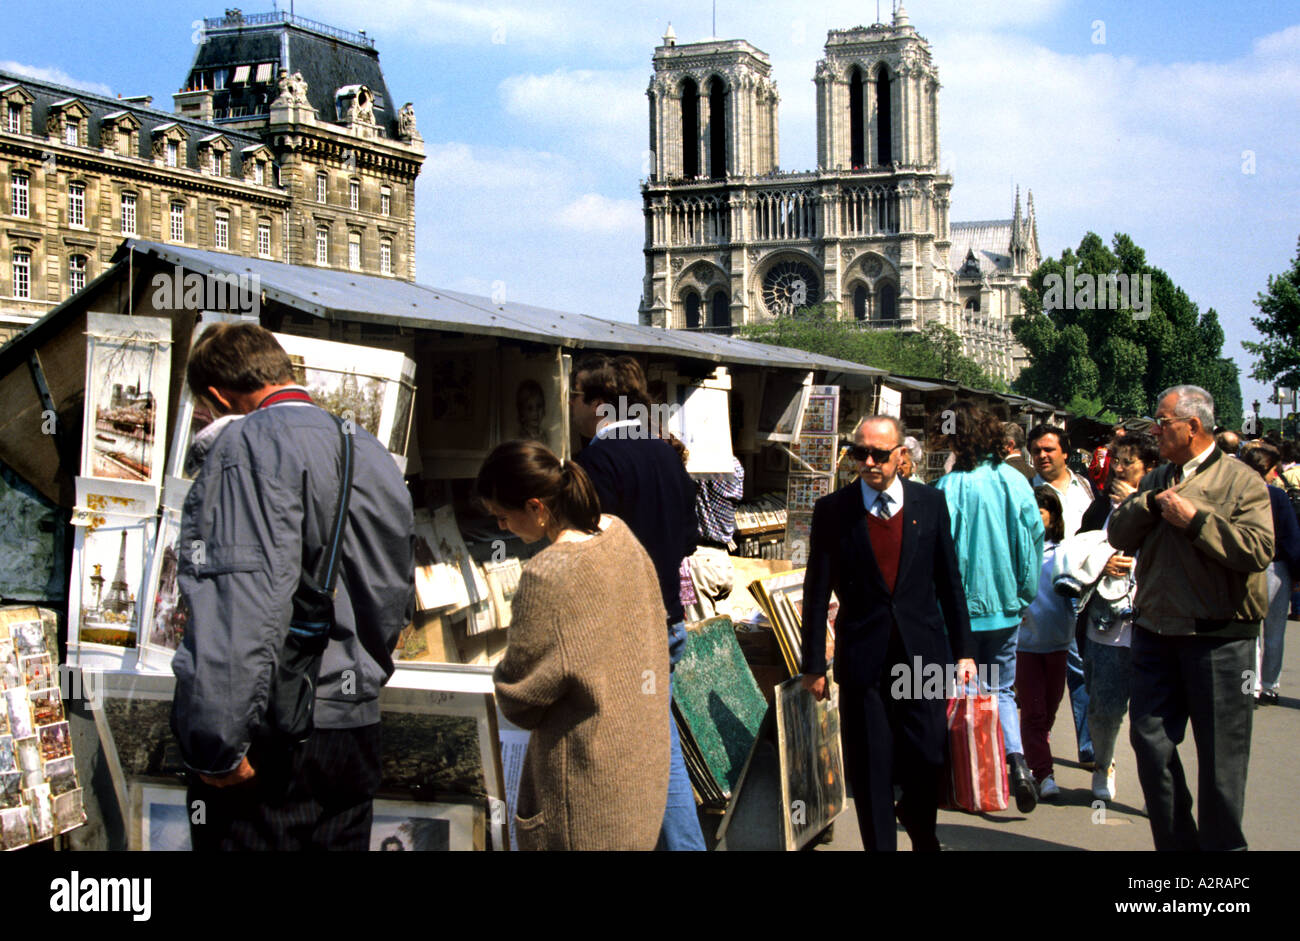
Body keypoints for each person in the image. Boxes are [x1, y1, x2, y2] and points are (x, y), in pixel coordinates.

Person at [172, 322, 414, 851]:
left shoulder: (243, 446)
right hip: (353, 728)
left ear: (217, 397)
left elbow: (240, 604)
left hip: (274, 734)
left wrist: (218, 743)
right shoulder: (367, 448)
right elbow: (392, 593)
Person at [479, 440, 670, 850]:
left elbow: (521, 699)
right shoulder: (619, 534)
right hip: (637, 774)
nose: (501, 528)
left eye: (502, 517)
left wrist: (501, 673)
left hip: (584, 794)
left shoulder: (549, 573)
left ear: (535, 507)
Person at [1109, 384, 1274, 851]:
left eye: (1163, 422)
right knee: (1150, 742)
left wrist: (1197, 520)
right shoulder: (1156, 478)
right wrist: (1145, 503)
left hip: (1219, 639)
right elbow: (1119, 536)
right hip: (1155, 633)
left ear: (1193, 426)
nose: (1155, 431)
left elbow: (1260, 550)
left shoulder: (1241, 482)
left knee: (1223, 761)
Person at [800, 415, 975, 851]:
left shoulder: (930, 504)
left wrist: (965, 650)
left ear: (901, 455)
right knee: (872, 763)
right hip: (865, 660)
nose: (869, 462)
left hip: (924, 656)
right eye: (860, 453)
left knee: (928, 753)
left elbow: (950, 582)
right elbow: (816, 591)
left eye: (879, 454)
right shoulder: (833, 511)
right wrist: (813, 666)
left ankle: (918, 820)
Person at [569, 353, 702, 851]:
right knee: (650, 742)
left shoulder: (597, 461)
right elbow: (689, 537)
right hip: (665, 616)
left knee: (650, 747)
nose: (573, 408)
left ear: (600, 403)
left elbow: (586, 548)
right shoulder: (665, 453)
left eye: (576, 397)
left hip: (624, 627)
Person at [930, 400, 1044, 813]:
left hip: (958, 616)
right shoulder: (1015, 482)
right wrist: (1023, 595)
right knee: (1002, 690)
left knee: (961, 691)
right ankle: (1016, 761)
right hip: (1005, 607)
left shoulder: (948, 489)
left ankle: (969, 775)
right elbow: (1033, 541)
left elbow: (936, 560)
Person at [1079, 435, 1158, 801]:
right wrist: (1101, 563)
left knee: (1153, 718)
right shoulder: (1098, 509)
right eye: (1116, 460)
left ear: (1149, 468)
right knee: (1104, 706)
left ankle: (1159, 786)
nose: (1118, 468)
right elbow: (1078, 551)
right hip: (1105, 625)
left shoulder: (1161, 508)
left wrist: (1134, 508)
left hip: (1153, 625)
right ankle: (1104, 763)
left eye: (1128, 461)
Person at [1028, 422, 1095, 767]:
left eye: (1049, 449)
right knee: (1046, 672)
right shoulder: (1026, 492)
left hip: (1084, 588)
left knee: (1082, 668)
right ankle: (1039, 740)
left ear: (1065, 453)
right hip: (1045, 592)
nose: (1042, 456)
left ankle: (1088, 745)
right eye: (1037, 450)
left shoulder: (1084, 488)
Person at [1016, 487, 1075, 800]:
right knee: (1034, 712)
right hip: (1024, 646)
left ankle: (1029, 750)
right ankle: (1044, 774)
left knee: (1049, 710)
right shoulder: (1016, 551)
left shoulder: (1065, 552)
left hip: (1057, 642)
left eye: (1040, 513)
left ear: (1053, 518)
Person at [1237, 443, 1300, 704]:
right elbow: (1290, 537)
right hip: (1276, 567)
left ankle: (1250, 686)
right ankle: (1270, 687)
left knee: (1249, 634)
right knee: (1274, 631)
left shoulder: (1237, 493)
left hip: (1244, 567)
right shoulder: (1277, 496)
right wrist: (1296, 574)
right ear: (1270, 470)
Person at [685, 456, 745, 623]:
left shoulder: (698, 466)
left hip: (699, 562)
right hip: (721, 559)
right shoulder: (734, 464)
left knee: (700, 635)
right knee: (719, 630)